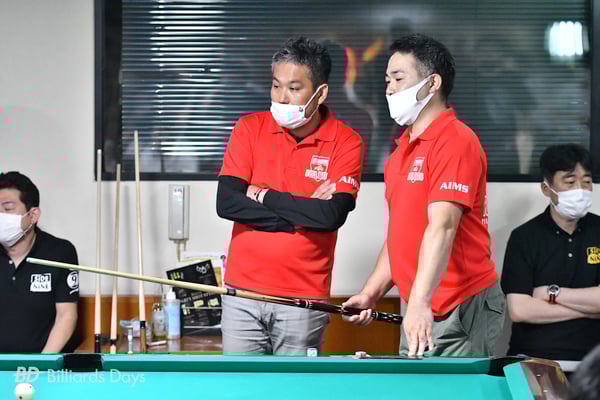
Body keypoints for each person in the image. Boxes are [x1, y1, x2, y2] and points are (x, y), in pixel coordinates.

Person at [343, 33, 503, 358]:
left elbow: (442, 227)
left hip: (459, 305)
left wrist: (419, 301)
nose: (389, 89)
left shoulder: (455, 140)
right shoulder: (401, 151)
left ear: (432, 83)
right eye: (387, 80)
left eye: (398, 78)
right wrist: (371, 292)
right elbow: (401, 236)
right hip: (420, 304)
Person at [216, 36, 364, 355]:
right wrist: (298, 217)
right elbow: (226, 203)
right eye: (276, 85)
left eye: (294, 88)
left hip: (303, 300)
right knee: (240, 382)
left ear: (320, 93)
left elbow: (330, 216)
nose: (282, 98)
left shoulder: (346, 141)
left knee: (295, 383)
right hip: (242, 295)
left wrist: (262, 195)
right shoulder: (248, 128)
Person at [501, 144, 599, 361]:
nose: (580, 190)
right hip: (533, 358)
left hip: (592, 362)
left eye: (587, 182)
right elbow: (520, 310)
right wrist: (589, 309)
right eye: (570, 182)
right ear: (547, 189)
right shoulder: (524, 237)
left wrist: (552, 293)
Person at [0, 171, 79, 353]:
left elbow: (66, 315)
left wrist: (42, 363)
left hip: (42, 362)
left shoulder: (60, 252)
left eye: (8, 209)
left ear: (33, 215)